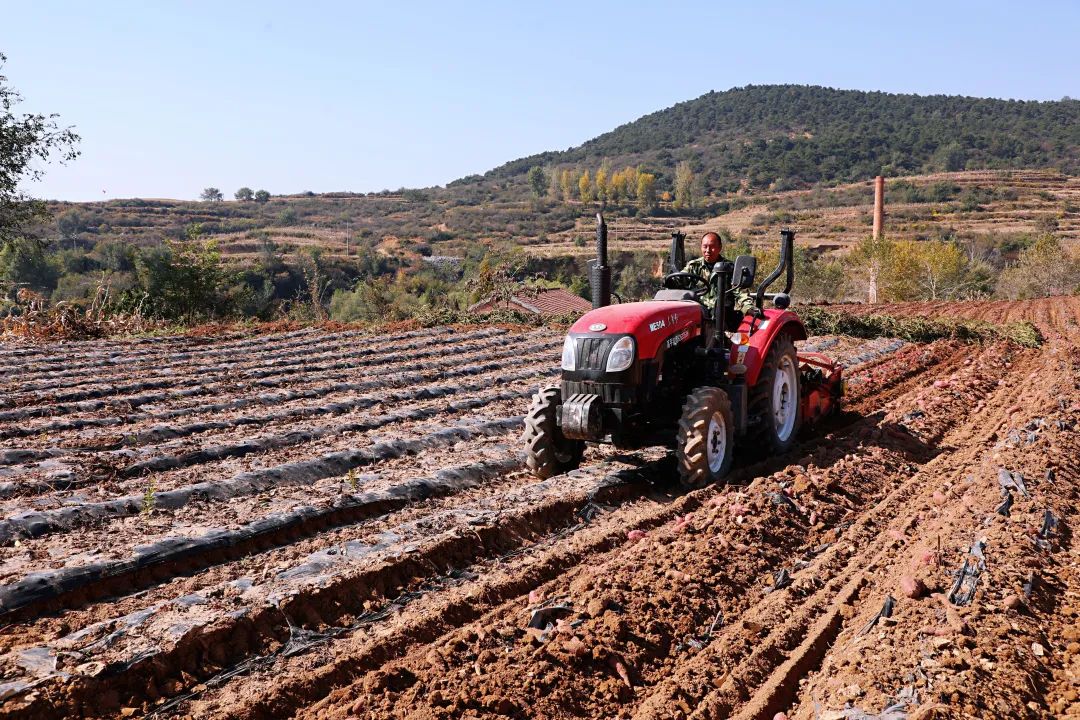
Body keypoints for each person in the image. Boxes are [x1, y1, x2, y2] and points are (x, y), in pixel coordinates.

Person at [683, 231, 758, 317]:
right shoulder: (693, 266)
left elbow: (740, 292)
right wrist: (668, 281)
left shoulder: (730, 268)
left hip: (721, 316)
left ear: (720, 248)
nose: (708, 250)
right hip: (698, 312)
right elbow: (680, 279)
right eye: (705, 247)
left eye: (712, 247)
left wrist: (748, 308)